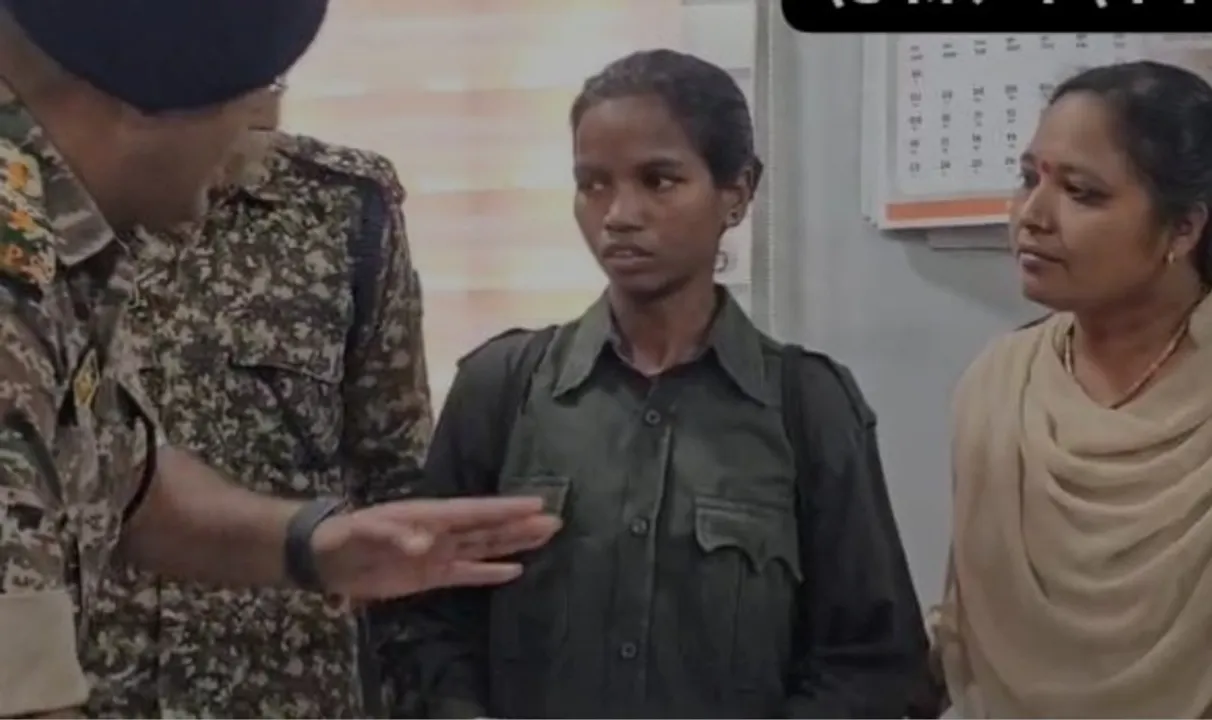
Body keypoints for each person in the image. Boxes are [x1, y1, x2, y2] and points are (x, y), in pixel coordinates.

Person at [0, 1, 559, 717]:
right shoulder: (14, 281)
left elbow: (120, 473)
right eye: (245, 107)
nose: (259, 146)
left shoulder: (61, 242)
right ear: (148, 101)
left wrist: (311, 544)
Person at [397, 49, 929, 718]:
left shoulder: (808, 407)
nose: (619, 213)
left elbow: (872, 661)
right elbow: (426, 621)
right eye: (593, 183)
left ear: (737, 192)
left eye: (659, 180)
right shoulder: (502, 389)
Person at [81, 80, 431, 718]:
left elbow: (393, 471)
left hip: (282, 688)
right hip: (85, 689)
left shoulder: (344, 204)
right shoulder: (57, 201)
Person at [935, 60, 1212, 718]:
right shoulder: (1000, 384)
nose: (1032, 216)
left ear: (1183, 228)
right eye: (1029, 178)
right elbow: (964, 625)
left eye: (1081, 193)